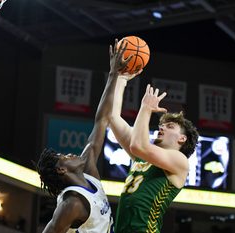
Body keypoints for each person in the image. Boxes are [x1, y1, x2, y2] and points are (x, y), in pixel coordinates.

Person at [35, 39, 135, 233]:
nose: (70, 154)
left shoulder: (90, 174)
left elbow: (101, 120)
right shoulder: (71, 203)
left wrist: (114, 74)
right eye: (64, 157)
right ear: (62, 171)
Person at [106, 44, 199, 232]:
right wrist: (120, 78)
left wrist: (146, 108)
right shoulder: (144, 157)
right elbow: (112, 117)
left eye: (170, 126)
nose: (162, 127)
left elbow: (138, 145)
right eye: (161, 125)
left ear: (182, 139)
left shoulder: (179, 161)